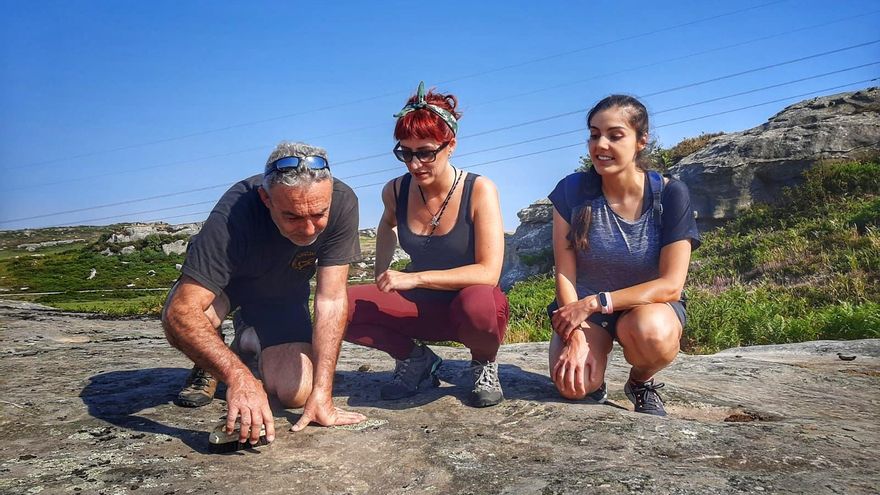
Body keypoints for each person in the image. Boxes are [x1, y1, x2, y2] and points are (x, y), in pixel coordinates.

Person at [162, 141, 366, 446]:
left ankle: (249, 339)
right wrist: (239, 378)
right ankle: (213, 361)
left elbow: (331, 299)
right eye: (293, 217)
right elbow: (180, 312)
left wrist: (323, 393)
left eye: (319, 214)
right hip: (226, 288)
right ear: (266, 199)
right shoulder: (233, 214)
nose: (310, 230)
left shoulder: (342, 202)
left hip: (281, 296)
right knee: (199, 317)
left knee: (296, 393)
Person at [345, 82, 509, 407]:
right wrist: (381, 272)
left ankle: (484, 363)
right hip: (422, 306)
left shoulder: (480, 190)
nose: (414, 164)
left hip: (472, 307)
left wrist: (414, 278)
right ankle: (417, 361)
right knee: (339, 307)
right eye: (405, 152)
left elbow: (488, 273)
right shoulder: (395, 191)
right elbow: (386, 225)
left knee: (478, 303)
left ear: (451, 146)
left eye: (425, 152)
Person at [547, 95, 700, 416]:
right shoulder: (572, 191)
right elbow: (565, 272)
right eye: (593, 134)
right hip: (585, 313)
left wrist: (595, 302)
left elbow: (671, 285)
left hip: (645, 309)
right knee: (573, 386)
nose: (600, 144)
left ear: (641, 140)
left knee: (654, 336)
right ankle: (595, 374)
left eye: (615, 135)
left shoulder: (671, 194)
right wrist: (574, 333)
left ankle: (641, 381)